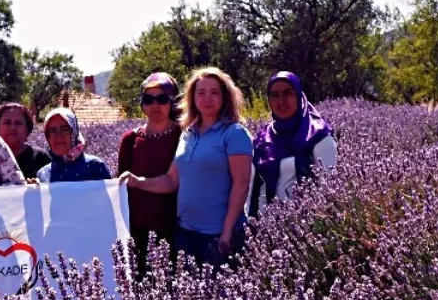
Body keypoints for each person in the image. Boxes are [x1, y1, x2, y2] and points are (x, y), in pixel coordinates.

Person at [121, 67, 252, 269]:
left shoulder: (234, 133)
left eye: (214, 92)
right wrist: (138, 182)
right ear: (192, 98)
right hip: (185, 233)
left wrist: (227, 231)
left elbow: (241, 184)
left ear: (225, 96)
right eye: (201, 92)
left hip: (216, 234)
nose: (207, 98)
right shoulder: (188, 133)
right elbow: (172, 180)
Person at [249, 71, 337, 217]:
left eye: (288, 93)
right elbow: (256, 185)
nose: (281, 101)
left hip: (305, 227)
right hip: (265, 226)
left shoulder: (318, 135)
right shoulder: (263, 136)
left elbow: (329, 190)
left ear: (299, 95)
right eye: (275, 95)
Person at [118, 72, 181, 273]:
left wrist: (140, 182)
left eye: (162, 99)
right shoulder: (130, 139)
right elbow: (120, 185)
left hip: (174, 229)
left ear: (172, 102)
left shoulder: (184, 136)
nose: (155, 105)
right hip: (137, 230)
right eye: (148, 99)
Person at [37, 107, 111, 183]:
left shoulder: (94, 167)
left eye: (64, 129)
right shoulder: (44, 174)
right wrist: (32, 190)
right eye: (52, 131)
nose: (58, 136)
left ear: (74, 133)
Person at [0, 101, 49, 180]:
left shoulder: (41, 158)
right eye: (7, 122)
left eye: (18, 123)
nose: (12, 127)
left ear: (27, 129)